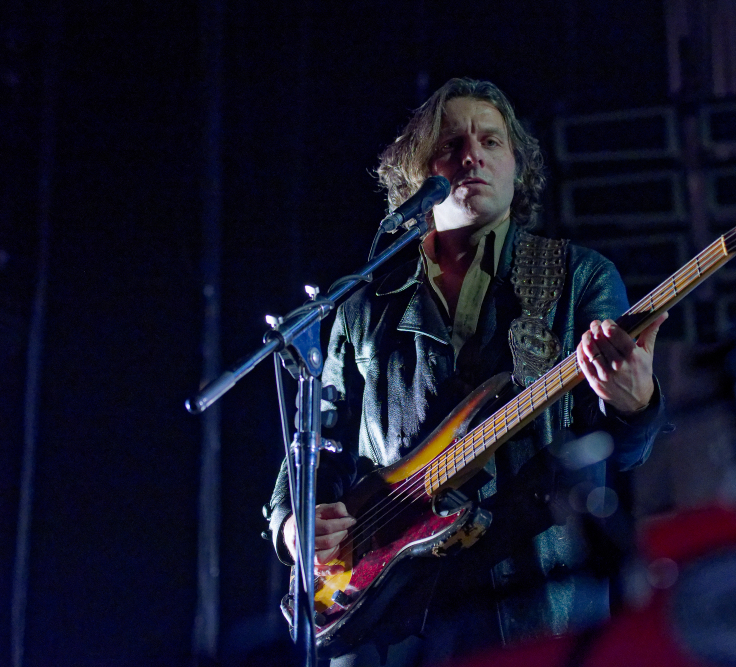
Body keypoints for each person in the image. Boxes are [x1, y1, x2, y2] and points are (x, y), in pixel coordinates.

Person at [264, 77, 669, 666]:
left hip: (534, 593)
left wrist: (633, 405)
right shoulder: (363, 301)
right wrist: (293, 525)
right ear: (415, 175)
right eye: (450, 145)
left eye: (491, 142)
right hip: (388, 612)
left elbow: (613, 452)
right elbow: (319, 439)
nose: (471, 155)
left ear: (517, 169)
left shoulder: (578, 278)